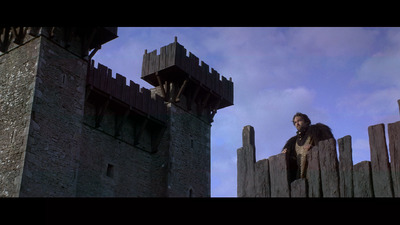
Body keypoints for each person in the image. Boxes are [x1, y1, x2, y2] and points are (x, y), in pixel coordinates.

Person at [282, 112, 334, 181]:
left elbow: (328, 147)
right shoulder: (293, 142)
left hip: (318, 171)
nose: (297, 124)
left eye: (299, 120)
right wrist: (286, 154)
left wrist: (313, 148)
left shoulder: (317, 130)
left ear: (306, 121)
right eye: (295, 122)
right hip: (301, 178)